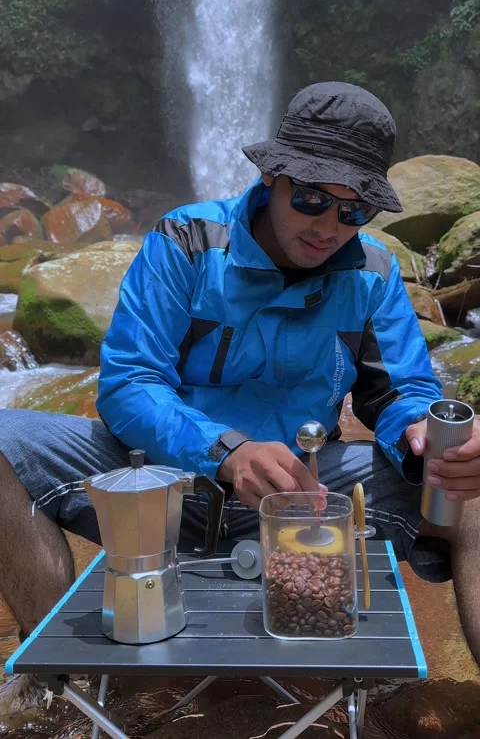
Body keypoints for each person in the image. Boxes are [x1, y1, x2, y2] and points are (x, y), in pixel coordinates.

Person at [1, 82, 480, 708]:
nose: (329, 226)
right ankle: (63, 693)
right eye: (311, 198)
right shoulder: (187, 242)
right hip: (163, 484)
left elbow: (398, 393)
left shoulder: (376, 273)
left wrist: (425, 435)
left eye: (353, 210)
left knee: (471, 491)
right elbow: (130, 384)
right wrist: (226, 449)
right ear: (272, 176)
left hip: (307, 493)